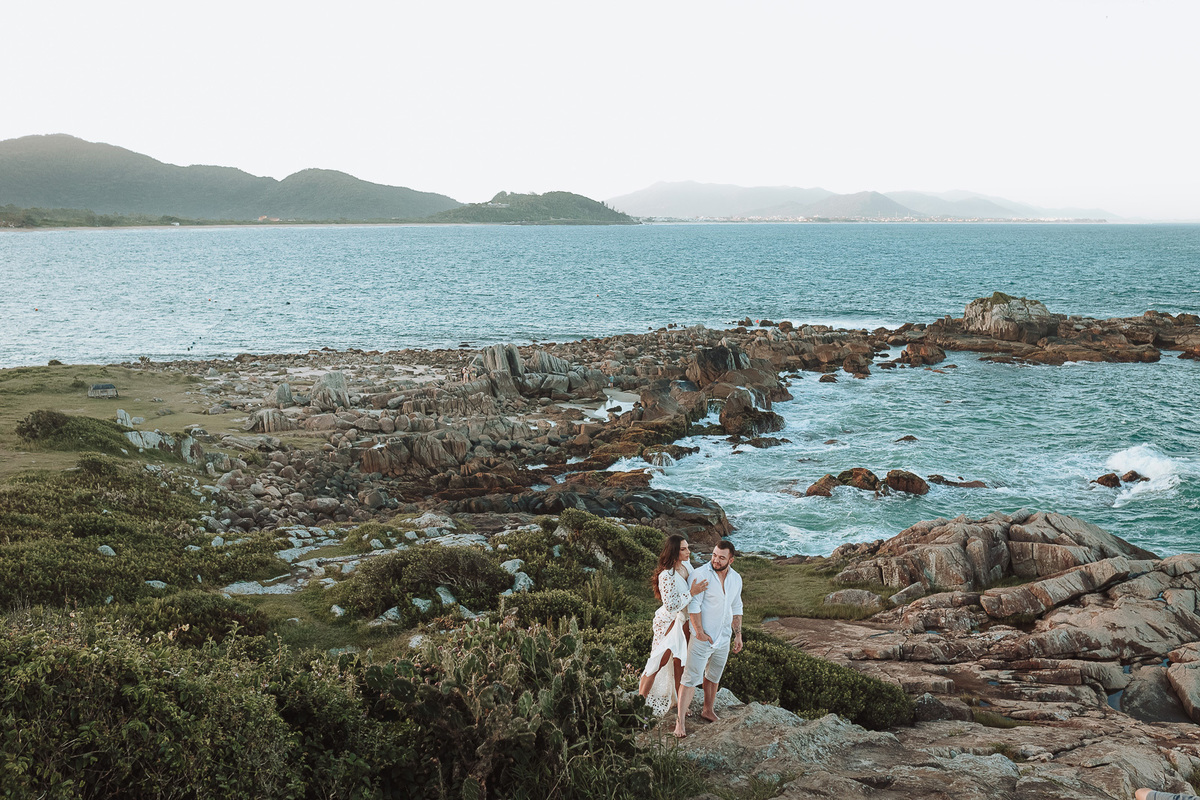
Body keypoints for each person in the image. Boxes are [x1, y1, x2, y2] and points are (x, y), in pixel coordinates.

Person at [673, 540, 743, 739]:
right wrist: (700, 632)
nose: (716, 560)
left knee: (713, 676)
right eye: (714, 555)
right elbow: (693, 607)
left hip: (723, 637)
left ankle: (708, 710)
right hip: (702, 638)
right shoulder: (700, 574)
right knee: (690, 678)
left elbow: (737, 607)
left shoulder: (736, 579)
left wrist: (738, 635)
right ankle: (680, 722)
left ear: (731, 559)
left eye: (721, 557)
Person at [639, 535, 708, 717]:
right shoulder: (666, 575)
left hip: (684, 622)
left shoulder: (687, 566)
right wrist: (691, 592)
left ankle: (680, 704)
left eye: (688, 548)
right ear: (674, 552)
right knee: (658, 661)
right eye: (684, 549)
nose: (688, 552)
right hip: (669, 622)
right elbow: (670, 605)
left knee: (680, 663)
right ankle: (639, 702)